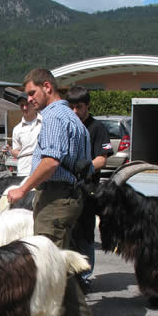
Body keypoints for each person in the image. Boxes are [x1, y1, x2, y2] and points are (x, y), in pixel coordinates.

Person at [7, 68, 103, 316]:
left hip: (57, 199)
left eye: (32, 93)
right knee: (58, 262)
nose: (29, 99)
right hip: (67, 198)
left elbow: (50, 161)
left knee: (52, 266)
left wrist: (23, 189)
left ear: (47, 86)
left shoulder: (53, 118)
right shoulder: (71, 118)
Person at [67, 86, 114, 290]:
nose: (75, 111)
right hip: (67, 188)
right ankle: (70, 274)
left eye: (79, 107)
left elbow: (102, 160)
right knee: (70, 232)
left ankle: (85, 275)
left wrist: (84, 169)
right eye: (72, 107)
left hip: (87, 190)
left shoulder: (97, 128)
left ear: (88, 106)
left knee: (85, 233)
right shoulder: (67, 125)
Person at [4, 93, 42, 179]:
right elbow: (17, 153)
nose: (24, 108)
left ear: (33, 104)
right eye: (22, 105)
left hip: (41, 171)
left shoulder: (45, 123)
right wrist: (10, 150)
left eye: (27, 104)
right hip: (23, 171)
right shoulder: (17, 129)